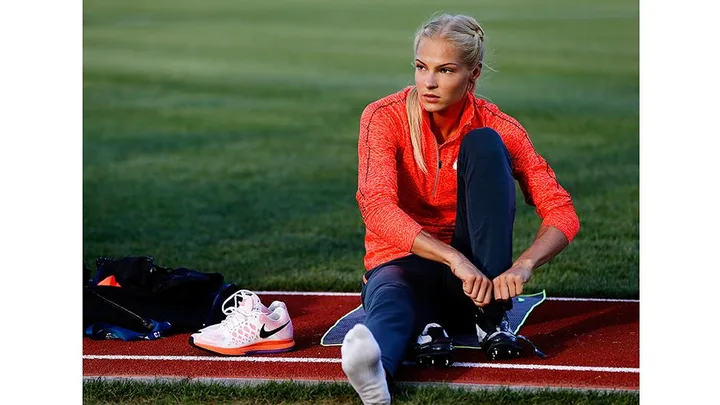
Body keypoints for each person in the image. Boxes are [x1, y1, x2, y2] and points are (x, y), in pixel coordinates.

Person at [340, 13, 580, 405]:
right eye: (421, 67)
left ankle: (489, 321)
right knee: (393, 301)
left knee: (485, 143)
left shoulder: (499, 125)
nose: (428, 82)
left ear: (474, 74)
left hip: (476, 283)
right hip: (405, 263)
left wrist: (524, 265)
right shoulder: (384, 117)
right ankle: (375, 373)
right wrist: (451, 258)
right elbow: (376, 206)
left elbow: (561, 211)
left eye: (445, 70)